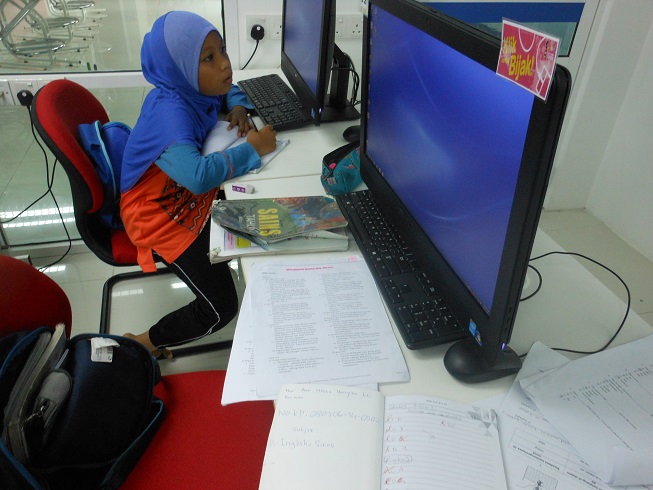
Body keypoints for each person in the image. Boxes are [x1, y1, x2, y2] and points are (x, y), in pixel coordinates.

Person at [120, 11, 277, 357]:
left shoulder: (192, 87)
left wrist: (238, 108)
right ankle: (146, 343)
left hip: (181, 195)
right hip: (156, 214)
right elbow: (197, 176)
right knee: (221, 307)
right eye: (209, 58)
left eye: (222, 50)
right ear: (180, 67)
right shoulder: (170, 114)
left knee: (262, 216)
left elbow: (230, 89)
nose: (225, 64)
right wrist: (252, 149)